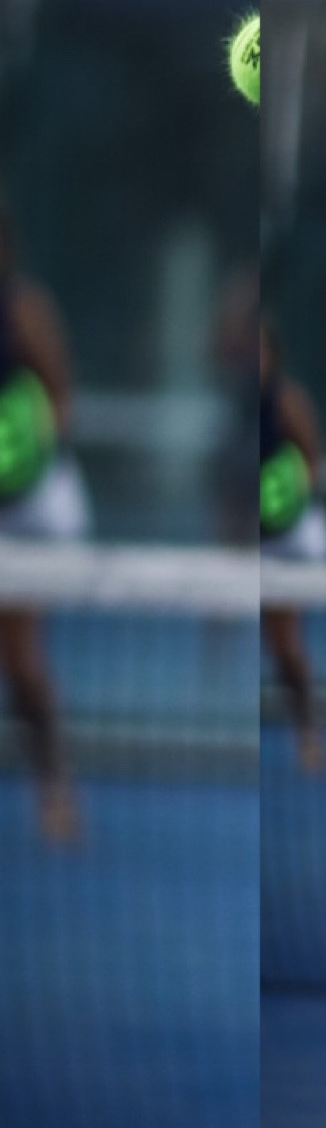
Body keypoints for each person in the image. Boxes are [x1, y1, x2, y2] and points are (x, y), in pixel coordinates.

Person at [0, 197, 90, 843]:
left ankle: (54, 787)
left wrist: (18, 465)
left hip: (34, 508)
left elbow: (59, 403)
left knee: (19, 656)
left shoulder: (26, 311)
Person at [259, 319, 326, 774]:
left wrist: (279, 507)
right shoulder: (235, 409)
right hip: (262, 536)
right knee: (273, 642)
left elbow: (312, 466)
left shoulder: (288, 401)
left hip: (296, 536)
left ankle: (309, 734)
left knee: (285, 642)